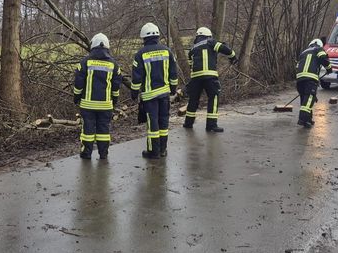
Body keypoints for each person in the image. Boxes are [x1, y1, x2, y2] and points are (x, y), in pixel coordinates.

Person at [130, 22, 179, 159]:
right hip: (164, 94)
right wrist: (173, 89)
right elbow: (173, 73)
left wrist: (134, 93)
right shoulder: (167, 51)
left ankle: (153, 151)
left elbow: (136, 78)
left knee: (153, 124)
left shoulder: (140, 54)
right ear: (157, 35)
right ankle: (163, 150)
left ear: (143, 38)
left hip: (150, 96)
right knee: (164, 122)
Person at [73, 33, 123, 159]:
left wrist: (76, 97)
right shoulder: (114, 65)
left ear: (93, 45)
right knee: (104, 130)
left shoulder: (85, 62)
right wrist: (114, 99)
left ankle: (86, 153)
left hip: (88, 105)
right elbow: (116, 86)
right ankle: (103, 154)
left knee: (88, 130)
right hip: (105, 105)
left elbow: (78, 83)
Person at [182, 27, 238, 132]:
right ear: (208, 35)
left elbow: (191, 66)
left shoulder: (192, 49)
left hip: (195, 78)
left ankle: (188, 123)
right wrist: (233, 57)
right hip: (209, 76)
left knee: (193, 100)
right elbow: (225, 49)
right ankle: (211, 125)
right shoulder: (210, 42)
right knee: (213, 98)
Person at [294, 38, 330, 128]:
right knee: (309, 99)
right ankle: (302, 119)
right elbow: (323, 58)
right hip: (310, 78)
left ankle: (308, 120)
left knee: (305, 100)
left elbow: (297, 66)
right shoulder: (318, 49)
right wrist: (329, 68)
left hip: (300, 79)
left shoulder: (303, 52)